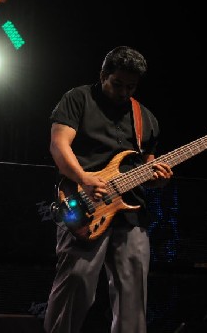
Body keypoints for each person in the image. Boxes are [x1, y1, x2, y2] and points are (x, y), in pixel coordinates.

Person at [43, 46, 173, 333]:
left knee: (133, 294)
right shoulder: (78, 98)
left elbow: (148, 165)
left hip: (132, 213)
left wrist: (159, 178)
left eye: (131, 87)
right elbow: (58, 145)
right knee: (76, 280)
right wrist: (84, 177)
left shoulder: (145, 117)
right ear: (103, 75)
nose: (124, 92)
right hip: (85, 202)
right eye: (117, 84)